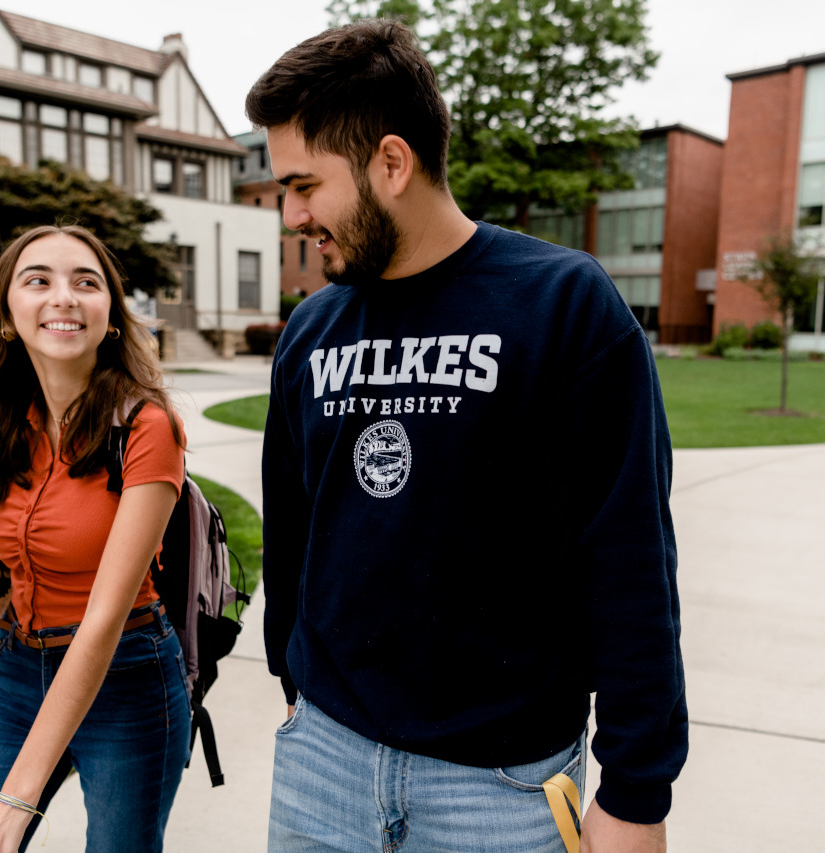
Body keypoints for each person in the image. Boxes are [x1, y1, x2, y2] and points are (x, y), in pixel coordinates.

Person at [248, 19, 688, 853]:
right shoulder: (310, 331)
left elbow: (631, 562)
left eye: (305, 185)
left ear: (391, 162)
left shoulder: (565, 308)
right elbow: (294, 531)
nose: (293, 214)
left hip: (503, 787)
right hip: (323, 763)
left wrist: (637, 791)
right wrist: (294, 682)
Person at [0, 225, 191, 853]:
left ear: (110, 317)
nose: (64, 296)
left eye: (85, 282)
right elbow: (0, 564)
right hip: (15, 673)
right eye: (38, 280)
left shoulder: (147, 428)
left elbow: (102, 621)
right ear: (8, 314)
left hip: (126, 679)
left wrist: (17, 801)